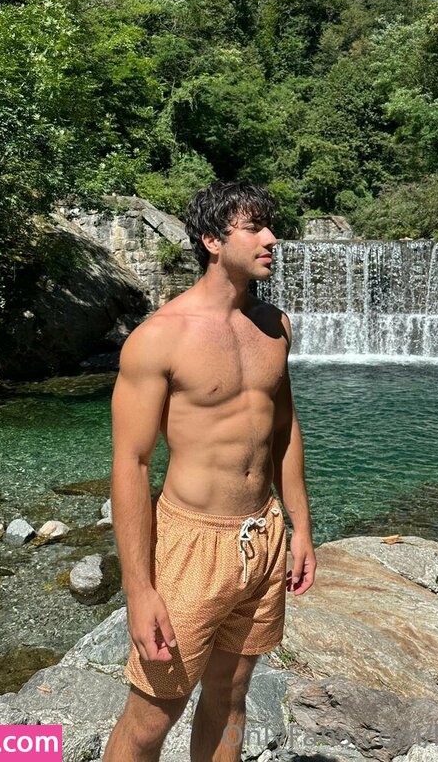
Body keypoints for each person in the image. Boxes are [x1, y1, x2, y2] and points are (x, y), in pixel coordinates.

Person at [102, 179, 316, 762]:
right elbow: (131, 464)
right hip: (190, 546)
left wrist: (300, 527)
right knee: (150, 719)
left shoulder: (275, 326)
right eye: (255, 228)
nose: (272, 239)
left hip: (262, 536)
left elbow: (283, 429)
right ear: (212, 241)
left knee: (231, 695)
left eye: (270, 226)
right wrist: (139, 589)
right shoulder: (159, 339)